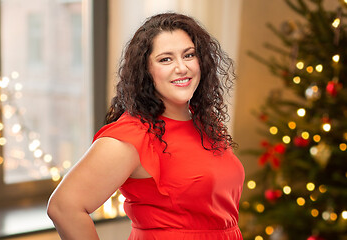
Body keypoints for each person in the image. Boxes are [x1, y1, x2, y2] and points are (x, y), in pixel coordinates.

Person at [47, 12, 245, 240]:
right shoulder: (133, 135)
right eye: (165, 59)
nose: (182, 68)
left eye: (189, 55)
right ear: (146, 71)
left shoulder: (205, 123)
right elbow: (64, 207)